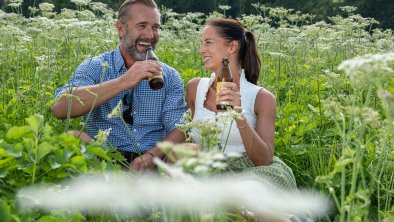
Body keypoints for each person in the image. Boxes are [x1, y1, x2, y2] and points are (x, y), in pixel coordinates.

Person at [52, 0, 187, 171]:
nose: (150, 35)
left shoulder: (170, 76)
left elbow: (179, 128)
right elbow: (60, 108)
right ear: (121, 29)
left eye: (155, 27)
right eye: (142, 26)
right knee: (71, 136)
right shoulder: (97, 66)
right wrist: (123, 81)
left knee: (187, 151)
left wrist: (152, 155)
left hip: (150, 163)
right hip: (102, 158)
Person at [186, 18, 297, 192]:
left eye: (208, 43)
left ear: (232, 47)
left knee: (241, 195)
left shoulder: (262, 98)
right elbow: (189, 138)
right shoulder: (195, 89)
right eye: (202, 43)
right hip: (206, 173)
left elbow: (264, 160)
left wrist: (238, 114)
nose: (201, 50)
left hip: (250, 174)